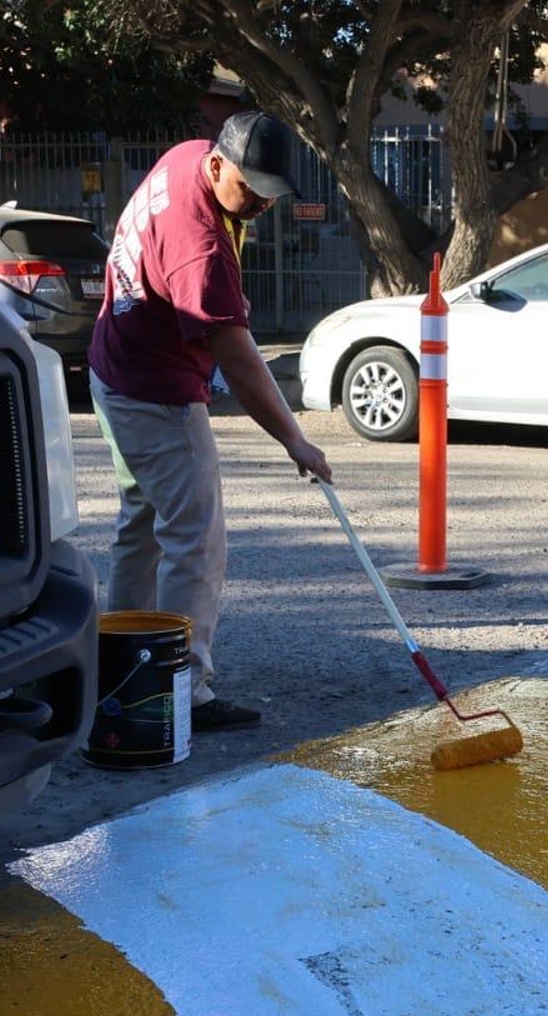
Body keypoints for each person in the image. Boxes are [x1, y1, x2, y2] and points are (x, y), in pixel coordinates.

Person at [91, 110, 332, 732]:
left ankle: (122, 663)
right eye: (248, 190)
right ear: (219, 165)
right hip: (153, 389)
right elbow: (238, 357)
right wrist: (295, 439)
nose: (257, 205)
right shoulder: (200, 245)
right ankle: (182, 691)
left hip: (114, 366)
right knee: (195, 540)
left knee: (144, 523)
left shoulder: (192, 154)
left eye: (269, 195)